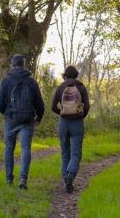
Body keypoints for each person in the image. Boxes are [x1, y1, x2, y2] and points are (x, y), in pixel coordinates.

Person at [0, 54, 45, 189]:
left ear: (12, 65)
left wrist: (6, 114)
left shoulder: (6, 81)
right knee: (25, 148)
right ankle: (23, 178)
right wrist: (38, 118)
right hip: (27, 120)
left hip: (10, 119)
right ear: (24, 65)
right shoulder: (31, 82)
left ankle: (8, 179)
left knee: (9, 149)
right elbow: (40, 104)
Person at [51, 65, 90, 193]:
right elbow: (87, 106)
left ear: (65, 75)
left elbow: (53, 107)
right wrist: (80, 115)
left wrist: (62, 112)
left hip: (63, 123)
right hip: (77, 123)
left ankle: (66, 181)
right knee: (76, 153)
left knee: (65, 154)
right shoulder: (81, 87)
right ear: (76, 75)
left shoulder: (60, 87)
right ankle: (70, 176)